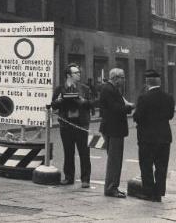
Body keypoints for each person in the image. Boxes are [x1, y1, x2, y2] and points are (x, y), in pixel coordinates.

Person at [132, 69, 175, 202]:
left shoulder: (143, 98)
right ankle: (159, 193)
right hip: (164, 138)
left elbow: (138, 117)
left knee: (146, 165)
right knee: (161, 167)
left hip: (147, 138)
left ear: (147, 82)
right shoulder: (169, 97)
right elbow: (170, 115)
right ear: (159, 82)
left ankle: (148, 192)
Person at [51, 63, 92, 188]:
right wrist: (60, 100)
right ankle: (68, 177)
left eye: (79, 72)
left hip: (81, 124)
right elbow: (53, 105)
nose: (79, 74)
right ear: (69, 75)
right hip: (66, 124)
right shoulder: (60, 89)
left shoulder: (84, 88)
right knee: (68, 152)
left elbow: (91, 103)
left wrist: (83, 101)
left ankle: (85, 179)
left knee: (84, 152)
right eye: (76, 73)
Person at [99, 67, 135, 198]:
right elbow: (115, 109)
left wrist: (127, 106)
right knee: (115, 160)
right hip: (113, 129)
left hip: (112, 129)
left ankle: (113, 186)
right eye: (123, 77)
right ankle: (111, 188)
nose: (124, 80)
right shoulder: (109, 90)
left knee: (114, 159)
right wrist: (129, 107)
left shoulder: (112, 89)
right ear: (116, 78)